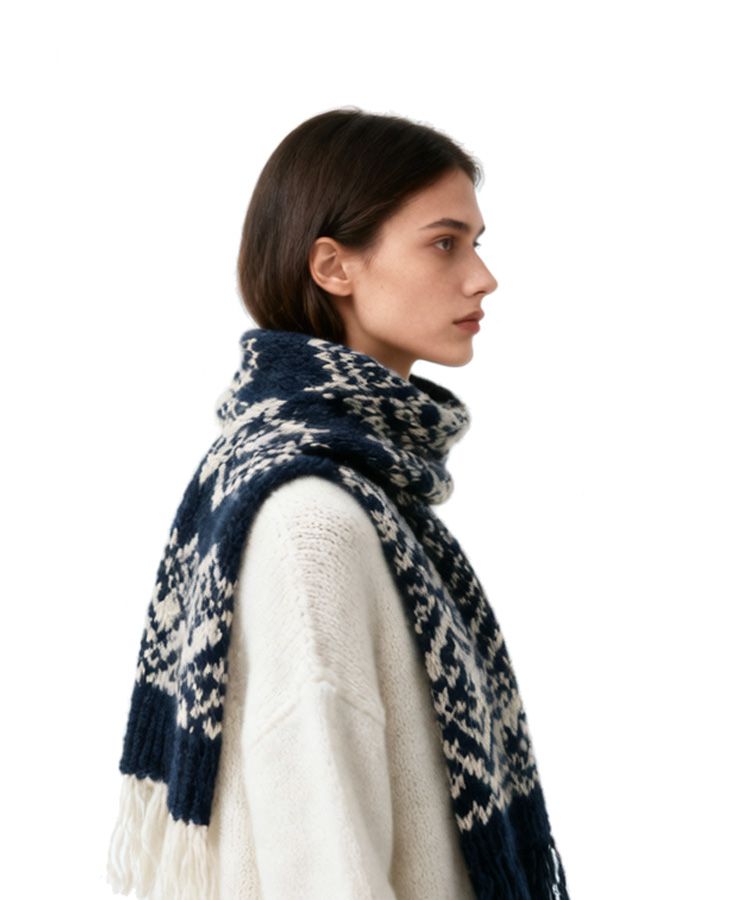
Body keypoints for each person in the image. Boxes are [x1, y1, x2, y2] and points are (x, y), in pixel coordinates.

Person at [107, 107, 570, 900]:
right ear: (333, 266)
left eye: (476, 243)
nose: (482, 277)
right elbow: (323, 859)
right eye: (445, 243)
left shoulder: (356, 487)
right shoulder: (312, 519)